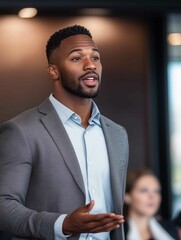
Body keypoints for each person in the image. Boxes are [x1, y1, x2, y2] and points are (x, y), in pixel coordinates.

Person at [0, 25, 129, 240]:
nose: (91, 65)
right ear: (53, 71)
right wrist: (63, 224)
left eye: (95, 58)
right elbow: (3, 206)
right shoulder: (21, 130)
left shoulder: (117, 134)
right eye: (77, 58)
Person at [123, 169, 179, 240]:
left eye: (156, 191)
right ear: (127, 196)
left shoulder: (171, 228)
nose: (152, 196)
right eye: (144, 190)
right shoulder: (117, 233)